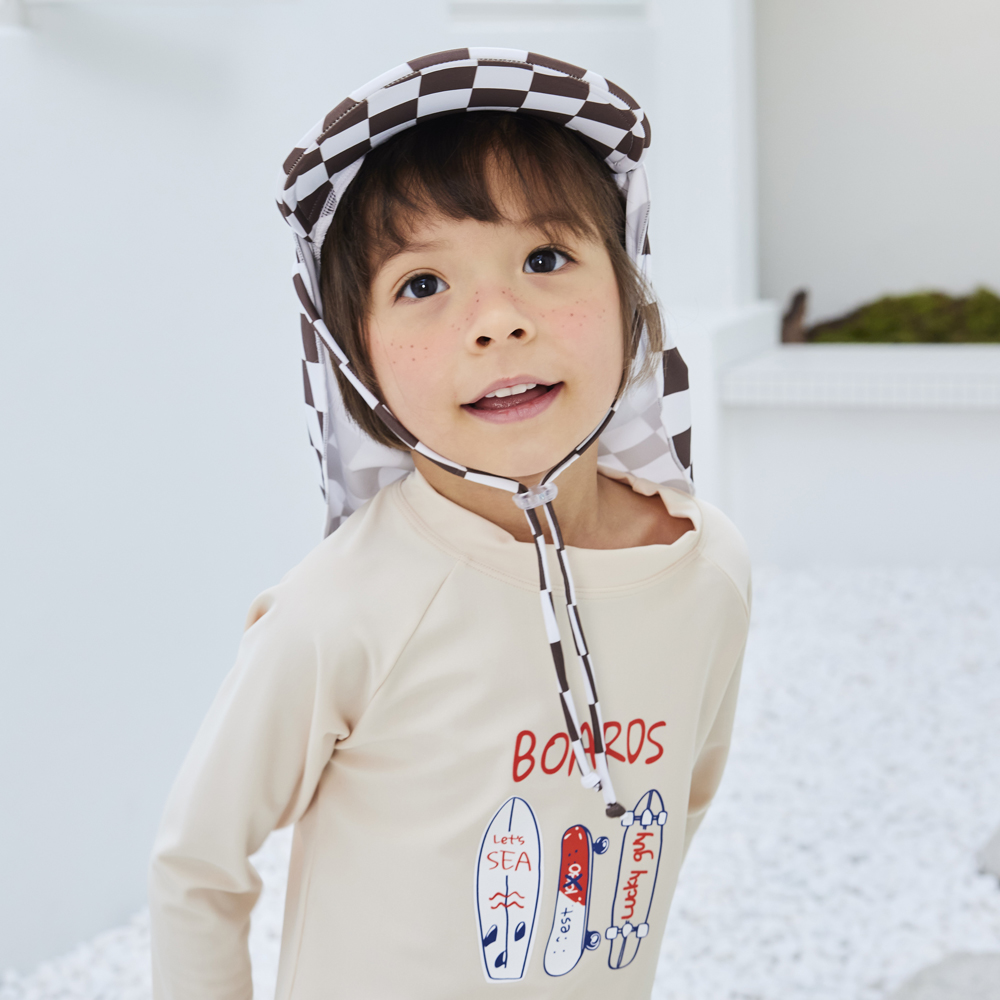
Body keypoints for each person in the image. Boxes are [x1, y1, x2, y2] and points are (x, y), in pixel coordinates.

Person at [149, 48, 751, 999]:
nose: (498, 320)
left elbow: (678, 805)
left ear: (629, 290)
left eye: (545, 259)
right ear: (357, 363)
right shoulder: (344, 610)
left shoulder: (707, 570)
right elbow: (197, 867)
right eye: (422, 284)